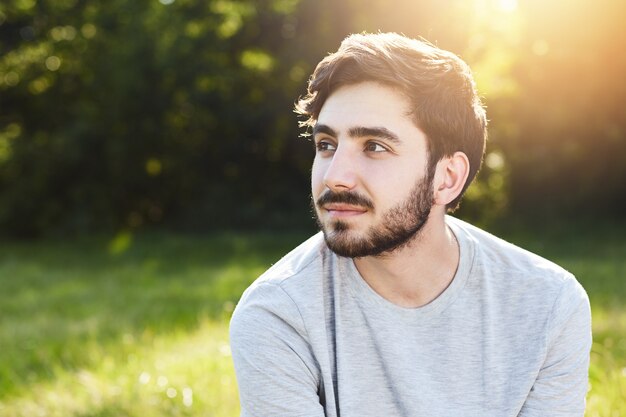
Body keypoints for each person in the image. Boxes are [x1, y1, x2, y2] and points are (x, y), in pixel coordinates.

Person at [229, 32, 591, 417]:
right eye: (326, 145)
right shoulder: (277, 316)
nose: (335, 177)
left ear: (447, 178)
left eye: (374, 146)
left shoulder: (548, 304)